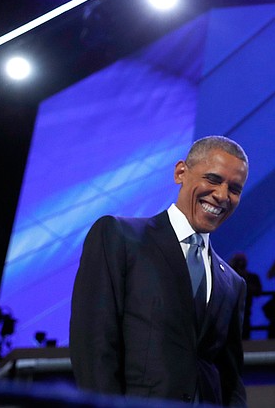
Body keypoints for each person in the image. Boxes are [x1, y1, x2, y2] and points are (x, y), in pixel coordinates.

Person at [70, 136, 249, 406]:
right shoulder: (121, 237)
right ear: (180, 172)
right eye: (213, 179)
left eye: (234, 189)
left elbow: (230, 379)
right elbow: (94, 343)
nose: (222, 195)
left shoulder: (233, 283)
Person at [229, 252, 263, 339]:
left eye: (242, 261)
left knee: (244, 334)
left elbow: (258, 291)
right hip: (229, 311)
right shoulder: (227, 276)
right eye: (237, 262)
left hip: (246, 311)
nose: (240, 264)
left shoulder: (251, 277)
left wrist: (246, 281)